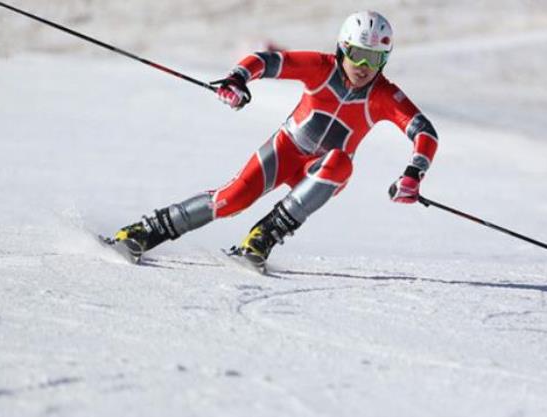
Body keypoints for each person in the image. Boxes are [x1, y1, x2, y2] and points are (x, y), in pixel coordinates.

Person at [107, 10, 439, 268]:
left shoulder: (383, 94)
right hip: (287, 150)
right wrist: (237, 79)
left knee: (341, 163)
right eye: (357, 55)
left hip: (321, 173)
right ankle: (143, 232)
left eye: (375, 59)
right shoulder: (321, 68)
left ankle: (263, 237)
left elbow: (424, 132)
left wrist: (414, 175)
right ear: (343, 49)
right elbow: (266, 62)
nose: (365, 67)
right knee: (230, 200)